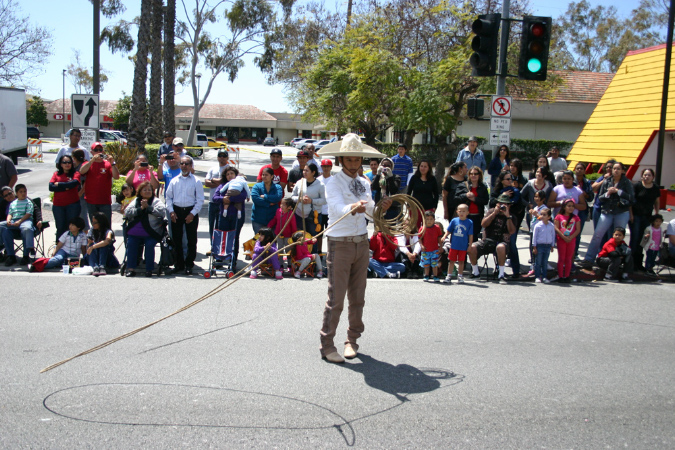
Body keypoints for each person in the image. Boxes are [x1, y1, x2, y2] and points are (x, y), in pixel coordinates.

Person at [315, 133, 392, 363]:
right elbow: (336, 209)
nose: (353, 164)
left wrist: (381, 208)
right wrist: (353, 207)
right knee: (336, 299)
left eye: (357, 159)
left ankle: (352, 340)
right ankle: (327, 345)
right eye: (349, 160)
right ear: (341, 160)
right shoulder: (332, 183)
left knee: (358, 297)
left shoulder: (364, 182)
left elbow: (370, 213)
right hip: (340, 243)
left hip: (361, 242)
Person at [583, 162, 634, 266]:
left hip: (621, 212)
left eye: (618, 169)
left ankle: (616, 261)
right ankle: (589, 259)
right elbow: (600, 197)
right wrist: (608, 193)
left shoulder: (626, 182)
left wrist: (618, 191)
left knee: (618, 237)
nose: (616, 170)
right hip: (607, 212)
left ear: (622, 171)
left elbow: (631, 198)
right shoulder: (607, 181)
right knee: (597, 235)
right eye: (614, 168)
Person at [165, 156, 204, 275]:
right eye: (182, 163)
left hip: (190, 211)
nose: (184, 166)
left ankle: (189, 264)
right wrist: (171, 211)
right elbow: (168, 198)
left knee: (191, 240)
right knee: (176, 239)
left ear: (191, 165)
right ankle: (179, 264)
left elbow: (200, 200)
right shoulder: (174, 181)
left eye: (187, 164)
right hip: (176, 212)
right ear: (179, 165)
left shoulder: (196, 181)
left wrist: (192, 214)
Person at [468, 194, 516, 284]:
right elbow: (483, 224)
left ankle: (501, 274)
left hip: (502, 242)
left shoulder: (511, 216)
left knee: (501, 247)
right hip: (487, 240)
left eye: (505, 204)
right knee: (472, 247)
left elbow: (512, 231)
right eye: (500, 204)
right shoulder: (491, 211)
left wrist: (507, 216)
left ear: (509, 206)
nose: (502, 206)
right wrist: (494, 213)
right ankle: (475, 272)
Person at [124, 181, 167, 277]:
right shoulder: (136, 201)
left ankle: (149, 269)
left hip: (151, 231)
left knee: (149, 244)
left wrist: (148, 208)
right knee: (131, 243)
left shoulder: (156, 201)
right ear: (140, 192)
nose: (147, 191)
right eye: (145, 190)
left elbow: (162, 212)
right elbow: (127, 212)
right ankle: (130, 268)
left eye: (149, 190)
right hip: (135, 231)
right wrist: (140, 209)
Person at [489, 171, 525, 277]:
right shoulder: (497, 191)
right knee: (497, 244)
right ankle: (499, 269)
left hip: (511, 221)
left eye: (511, 179)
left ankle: (516, 271)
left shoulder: (515, 191)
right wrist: (503, 196)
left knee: (512, 244)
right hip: (498, 222)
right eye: (508, 179)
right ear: (502, 180)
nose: (510, 181)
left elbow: (519, 206)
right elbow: (491, 203)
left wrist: (509, 210)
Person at [79, 141, 120, 224]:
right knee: (95, 225)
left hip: (105, 201)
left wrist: (113, 163)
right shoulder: (88, 164)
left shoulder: (108, 164)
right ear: (92, 152)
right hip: (91, 201)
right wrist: (92, 161)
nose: (98, 152)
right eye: (96, 150)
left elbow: (116, 176)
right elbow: (81, 171)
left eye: (100, 150)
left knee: (106, 225)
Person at [630, 168, 661, 271]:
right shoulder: (637, 186)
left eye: (649, 175)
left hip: (647, 217)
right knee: (635, 239)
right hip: (636, 216)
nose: (647, 177)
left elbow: (657, 201)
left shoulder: (655, 188)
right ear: (642, 176)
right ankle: (631, 263)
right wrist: (631, 215)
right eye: (645, 175)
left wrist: (657, 214)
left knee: (644, 240)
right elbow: (631, 201)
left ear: (653, 177)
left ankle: (639, 263)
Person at [205, 149, 233, 252]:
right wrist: (217, 182)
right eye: (220, 156)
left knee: (221, 226)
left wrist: (214, 180)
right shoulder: (212, 169)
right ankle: (212, 247)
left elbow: (227, 181)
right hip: (212, 202)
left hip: (224, 202)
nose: (222, 158)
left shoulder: (230, 169)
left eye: (224, 156)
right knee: (212, 226)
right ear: (217, 157)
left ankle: (220, 247)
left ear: (227, 158)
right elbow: (207, 182)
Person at [291, 162, 326, 244]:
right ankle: (300, 255)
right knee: (299, 237)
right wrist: (300, 199)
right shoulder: (300, 182)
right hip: (299, 214)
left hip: (314, 216)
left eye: (307, 171)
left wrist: (312, 201)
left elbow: (324, 200)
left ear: (313, 172)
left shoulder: (320, 185)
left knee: (312, 238)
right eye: (304, 170)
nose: (304, 172)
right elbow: (292, 196)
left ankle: (312, 255)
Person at [49, 154, 82, 242]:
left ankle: (72, 248)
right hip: (58, 206)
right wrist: (66, 187)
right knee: (60, 227)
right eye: (64, 162)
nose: (67, 164)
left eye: (69, 162)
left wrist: (59, 184)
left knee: (72, 227)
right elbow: (51, 187)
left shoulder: (76, 173)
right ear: (60, 164)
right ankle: (58, 248)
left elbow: (74, 183)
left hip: (72, 205)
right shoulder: (56, 174)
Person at [0, 184, 35, 266]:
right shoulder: (12, 203)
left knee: (27, 229)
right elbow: (10, 213)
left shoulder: (28, 201)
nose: (23, 193)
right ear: (17, 193)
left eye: (24, 191)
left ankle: (27, 253)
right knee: (4, 230)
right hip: (14, 222)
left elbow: (29, 213)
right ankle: (10, 255)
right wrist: (8, 221)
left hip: (25, 221)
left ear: (13, 193)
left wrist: (19, 221)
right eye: (21, 192)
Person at [454, 166, 489, 241]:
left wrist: (475, 199)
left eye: (476, 174)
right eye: (471, 174)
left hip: (477, 217)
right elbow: (456, 199)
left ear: (479, 175)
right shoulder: (463, 185)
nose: (473, 175)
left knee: (474, 238)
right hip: (465, 216)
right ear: (469, 175)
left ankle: (472, 252)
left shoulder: (483, 187)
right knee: (463, 238)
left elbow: (485, 201)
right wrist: (466, 196)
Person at [441, 204, 473, 284]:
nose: (461, 213)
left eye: (463, 211)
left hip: (463, 246)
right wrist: (444, 236)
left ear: (467, 212)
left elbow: (470, 235)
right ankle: (449, 276)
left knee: (461, 261)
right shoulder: (454, 220)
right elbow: (449, 230)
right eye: (460, 211)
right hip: (454, 245)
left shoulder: (469, 222)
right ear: (457, 212)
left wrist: (470, 245)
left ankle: (460, 276)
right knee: (451, 261)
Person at [553, 199, 581, 282]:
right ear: (564, 207)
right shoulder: (559, 216)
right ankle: (561, 276)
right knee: (561, 258)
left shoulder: (576, 217)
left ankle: (567, 276)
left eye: (572, 206)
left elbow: (577, 230)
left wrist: (571, 237)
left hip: (571, 240)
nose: (571, 208)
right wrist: (563, 237)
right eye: (569, 206)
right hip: (561, 240)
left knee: (568, 258)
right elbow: (556, 228)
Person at [251, 167, 283, 234]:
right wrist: (268, 204)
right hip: (258, 219)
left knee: (271, 242)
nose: (264, 177)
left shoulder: (277, 187)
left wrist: (265, 196)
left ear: (272, 176)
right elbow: (255, 198)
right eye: (263, 175)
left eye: (266, 175)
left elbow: (277, 197)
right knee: (259, 241)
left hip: (272, 219)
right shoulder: (257, 186)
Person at [521, 166, 554, 231]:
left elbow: (551, 198)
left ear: (545, 175)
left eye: (541, 172)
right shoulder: (530, 183)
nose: (538, 174)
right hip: (531, 213)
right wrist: (528, 204)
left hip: (544, 213)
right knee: (532, 232)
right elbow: (521, 195)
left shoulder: (549, 185)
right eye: (537, 172)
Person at [573, 162, 594, 260]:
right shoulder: (571, 180)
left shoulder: (587, 182)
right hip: (571, 209)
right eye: (577, 168)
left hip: (581, 211)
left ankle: (575, 253)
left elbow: (590, 197)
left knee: (577, 232)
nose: (579, 170)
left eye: (581, 168)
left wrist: (583, 193)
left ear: (584, 171)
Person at [526, 190, 548, 276]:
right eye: (535, 196)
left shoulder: (544, 209)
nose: (536, 198)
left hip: (540, 232)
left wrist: (537, 215)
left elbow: (546, 220)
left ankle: (538, 266)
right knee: (531, 247)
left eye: (538, 197)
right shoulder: (535, 207)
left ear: (543, 198)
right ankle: (533, 264)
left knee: (537, 248)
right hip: (533, 230)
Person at [86, 212, 115, 276]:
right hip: (94, 256)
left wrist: (93, 246)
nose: (93, 224)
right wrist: (89, 242)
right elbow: (88, 242)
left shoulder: (108, 231)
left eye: (95, 222)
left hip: (107, 257)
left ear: (101, 222)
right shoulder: (92, 230)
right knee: (92, 245)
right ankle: (95, 267)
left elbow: (107, 241)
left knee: (103, 245)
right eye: (92, 222)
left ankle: (102, 266)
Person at [532, 207, 555, 283]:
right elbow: (534, 236)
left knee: (545, 262)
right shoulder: (538, 225)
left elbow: (553, 235)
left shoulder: (551, 225)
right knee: (538, 262)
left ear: (549, 217)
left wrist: (552, 245)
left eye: (544, 215)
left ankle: (544, 277)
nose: (542, 216)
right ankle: (537, 276)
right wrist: (534, 246)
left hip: (547, 246)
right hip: (540, 245)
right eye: (541, 214)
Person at [316, 159, 334, 255]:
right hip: (319, 210)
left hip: (330, 211)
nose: (326, 168)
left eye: (328, 166)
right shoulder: (318, 180)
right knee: (319, 233)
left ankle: (329, 252)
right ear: (321, 167)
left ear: (331, 168)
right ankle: (319, 251)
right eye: (324, 166)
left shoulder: (334, 180)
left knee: (330, 233)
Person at [419, 211, 442, 282]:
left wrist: (440, 246)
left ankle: (435, 276)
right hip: (426, 250)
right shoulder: (422, 228)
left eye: (431, 219)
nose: (429, 221)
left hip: (435, 250)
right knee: (426, 264)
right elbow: (420, 238)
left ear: (434, 220)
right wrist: (421, 246)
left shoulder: (437, 228)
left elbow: (439, 238)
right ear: (424, 220)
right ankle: (426, 275)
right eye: (427, 219)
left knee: (434, 264)